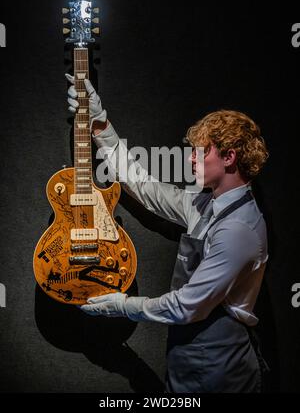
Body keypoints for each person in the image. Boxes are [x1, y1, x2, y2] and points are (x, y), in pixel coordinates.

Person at [66, 73, 269, 393]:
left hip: (222, 366)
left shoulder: (239, 231)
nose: (190, 157)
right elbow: (144, 187)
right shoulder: (204, 203)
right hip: (186, 354)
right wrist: (99, 121)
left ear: (230, 157)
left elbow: (186, 306)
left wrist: (121, 306)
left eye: (201, 152)